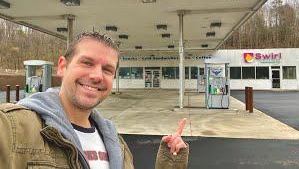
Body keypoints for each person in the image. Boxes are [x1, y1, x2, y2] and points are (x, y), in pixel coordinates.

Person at [0, 32, 189, 169]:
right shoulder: (13, 128)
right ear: (62, 67)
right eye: (87, 63)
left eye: (107, 69)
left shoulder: (117, 145)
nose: (97, 76)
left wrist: (169, 163)